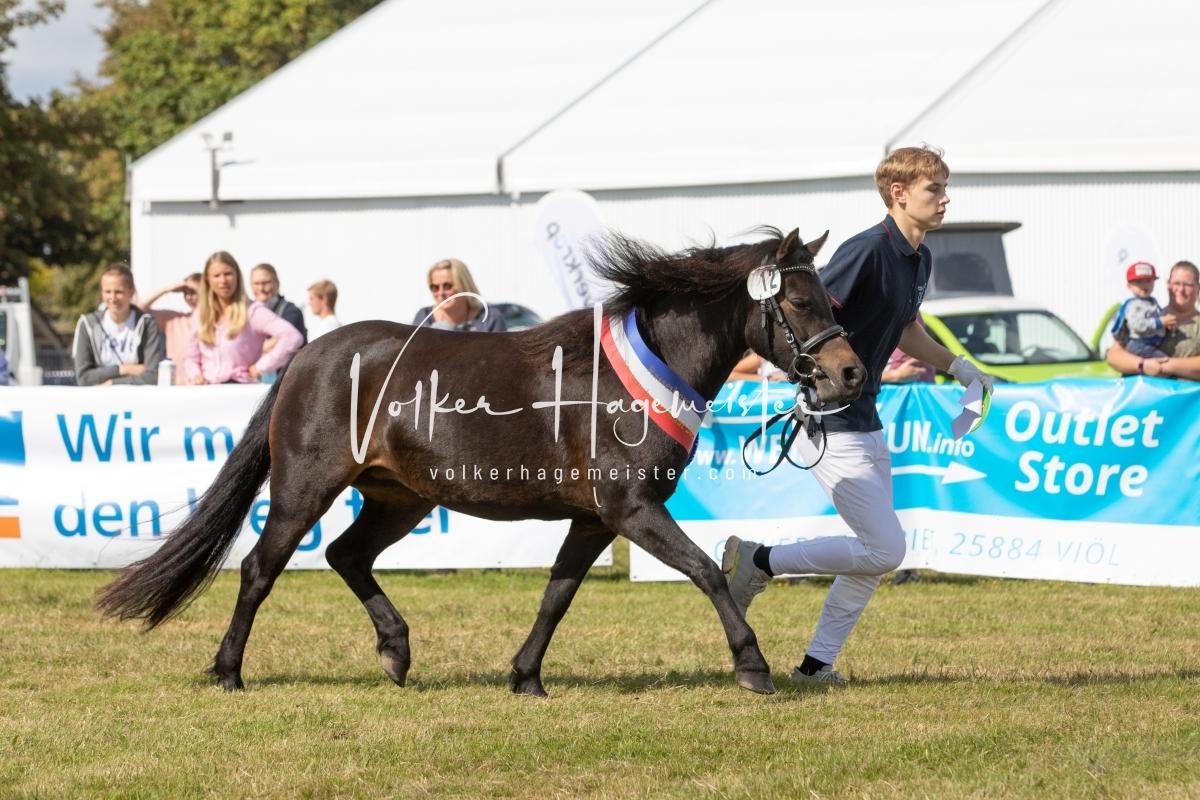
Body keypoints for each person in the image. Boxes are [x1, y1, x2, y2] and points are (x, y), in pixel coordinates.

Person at [723, 146, 994, 686]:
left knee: (873, 554)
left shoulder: (921, 258)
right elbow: (811, 320)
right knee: (886, 548)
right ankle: (760, 561)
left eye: (944, 188)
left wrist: (960, 366)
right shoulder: (866, 249)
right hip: (828, 418)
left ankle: (815, 666)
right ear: (899, 194)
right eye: (934, 189)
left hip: (867, 417)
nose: (945, 198)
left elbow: (908, 330)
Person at [185, 252, 303, 385]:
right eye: (217, 275)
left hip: (241, 390)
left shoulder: (252, 311)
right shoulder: (200, 314)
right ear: (208, 280)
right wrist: (195, 374)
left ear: (237, 275)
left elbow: (292, 337)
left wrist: (261, 367)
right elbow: (191, 358)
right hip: (207, 390)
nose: (223, 280)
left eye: (228, 274)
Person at [880, 340, 936, 585]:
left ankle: (908, 564)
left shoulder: (904, 321)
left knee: (903, 490)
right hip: (887, 417)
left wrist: (891, 376)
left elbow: (912, 370)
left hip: (901, 418)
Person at [72, 263, 165, 386]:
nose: (113, 298)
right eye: (107, 292)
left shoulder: (147, 324)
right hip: (97, 397)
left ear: (131, 292)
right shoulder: (88, 324)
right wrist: (123, 369)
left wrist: (112, 383)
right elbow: (83, 378)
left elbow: (152, 377)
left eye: (118, 292)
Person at [1107, 260, 1200, 380]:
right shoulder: (1146, 315)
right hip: (1144, 392)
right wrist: (1143, 365)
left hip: (1188, 392)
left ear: (1198, 288)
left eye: (1188, 285)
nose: (1181, 289)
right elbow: (1113, 357)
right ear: (1168, 285)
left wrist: (1166, 366)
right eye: (1176, 283)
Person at [138, 272, 202, 382]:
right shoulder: (175, 320)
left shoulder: (218, 322)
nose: (189, 297)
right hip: (178, 387)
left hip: (207, 386)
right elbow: (139, 309)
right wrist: (167, 290)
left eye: (193, 292)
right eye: (185, 293)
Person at [412, 258, 506, 332]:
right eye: (435, 287)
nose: (441, 293)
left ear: (464, 285)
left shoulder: (491, 319)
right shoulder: (423, 318)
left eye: (447, 286)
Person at [1110, 262, 1174, 358]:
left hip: (1151, 344)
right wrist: (1160, 322)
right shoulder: (1134, 305)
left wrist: (1166, 324)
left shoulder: (1152, 301)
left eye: (1148, 281)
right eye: (1139, 282)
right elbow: (1137, 325)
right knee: (1165, 361)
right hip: (1139, 344)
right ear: (1129, 286)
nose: (1144, 285)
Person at [250, 263, 308, 346]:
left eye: (266, 283)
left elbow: (285, 340)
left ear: (277, 283)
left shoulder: (291, 312)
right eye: (256, 283)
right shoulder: (246, 312)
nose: (261, 288)